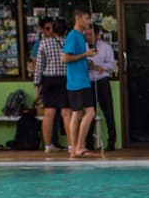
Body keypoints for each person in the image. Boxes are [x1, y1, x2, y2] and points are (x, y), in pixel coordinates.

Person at [62, 8, 99, 159]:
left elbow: (76, 58)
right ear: (77, 18)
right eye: (86, 18)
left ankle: (74, 149)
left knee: (77, 113)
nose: (89, 22)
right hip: (78, 81)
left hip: (79, 79)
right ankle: (79, 146)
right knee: (89, 113)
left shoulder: (80, 36)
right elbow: (65, 58)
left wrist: (88, 61)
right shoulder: (73, 35)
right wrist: (86, 54)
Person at [33, 16, 67, 154]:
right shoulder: (68, 43)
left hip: (49, 79)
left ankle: (48, 145)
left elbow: (39, 66)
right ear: (65, 31)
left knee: (48, 114)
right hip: (65, 78)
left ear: (53, 30)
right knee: (67, 113)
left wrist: (37, 83)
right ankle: (71, 145)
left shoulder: (44, 43)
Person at [85, 28, 118, 151]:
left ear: (97, 35)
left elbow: (111, 65)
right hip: (88, 82)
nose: (88, 37)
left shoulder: (105, 47)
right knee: (89, 113)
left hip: (102, 81)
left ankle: (111, 142)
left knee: (108, 112)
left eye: (90, 34)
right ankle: (89, 143)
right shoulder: (83, 47)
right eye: (86, 34)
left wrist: (100, 66)